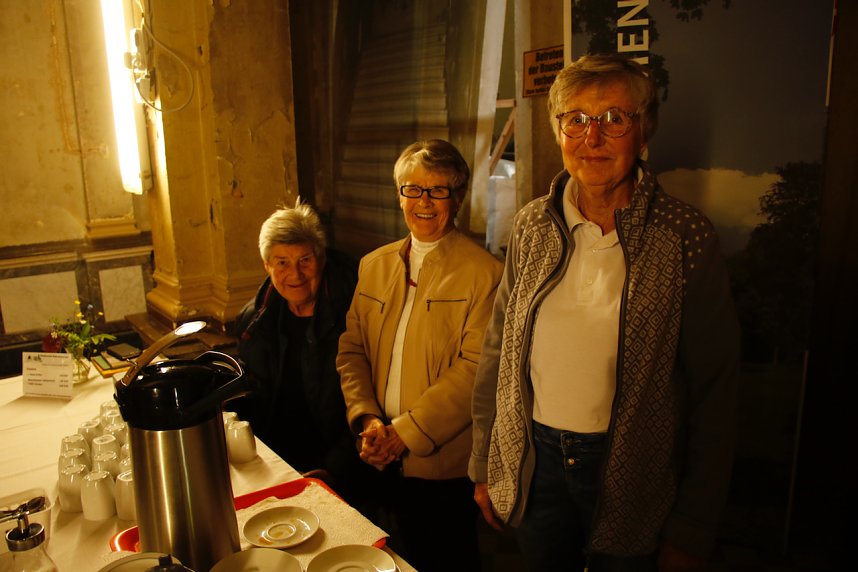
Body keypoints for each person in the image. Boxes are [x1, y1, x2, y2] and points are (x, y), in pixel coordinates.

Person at [469, 54, 741, 572]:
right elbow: (498, 351)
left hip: (635, 473)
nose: (592, 137)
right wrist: (485, 461)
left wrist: (694, 523)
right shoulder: (530, 225)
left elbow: (715, 392)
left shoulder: (684, 236)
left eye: (614, 118)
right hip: (535, 462)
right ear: (558, 131)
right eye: (576, 119)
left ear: (644, 131)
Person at [337, 139, 503, 571]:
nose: (424, 202)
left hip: (440, 469)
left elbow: (476, 371)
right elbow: (352, 350)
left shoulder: (485, 273)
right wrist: (368, 420)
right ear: (399, 195)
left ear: (458, 197)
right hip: (373, 452)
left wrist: (404, 434)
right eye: (413, 189)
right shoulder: (373, 265)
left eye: (438, 190)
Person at [234, 199, 378, 512]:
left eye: (305, 260)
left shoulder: (353, 317)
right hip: (275, 469)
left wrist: (333, 472)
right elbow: (252, 396)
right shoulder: (254, 320)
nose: (295, 273)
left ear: (321, 259)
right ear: (266, 266)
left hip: (340, 470)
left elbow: (369, 401)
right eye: (282, 263)